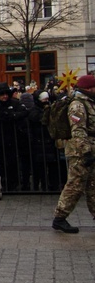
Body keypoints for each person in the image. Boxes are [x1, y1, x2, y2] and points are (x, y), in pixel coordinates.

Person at [52, 74, 95, 233]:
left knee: (93, 185)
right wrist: (86, 152)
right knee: (75, 185)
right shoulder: (77, 105)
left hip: (90, 148)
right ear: (89, 88)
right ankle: (59, 217)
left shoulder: (89, 102)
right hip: (80, 152)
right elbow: (78, 131)